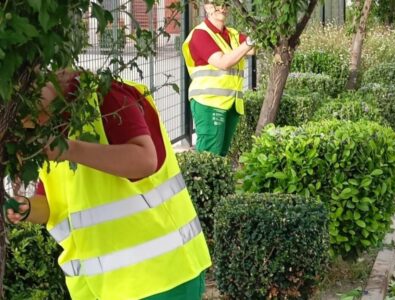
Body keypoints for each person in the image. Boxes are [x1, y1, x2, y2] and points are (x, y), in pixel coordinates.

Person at [6, 69, 212, 300]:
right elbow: (52, 205)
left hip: (161, 279)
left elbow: (145, 160)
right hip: (100, 286)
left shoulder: (107, 96)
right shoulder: (43, 130)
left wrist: (69, 149)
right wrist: (26, 208)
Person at [182, 0, 255, 156]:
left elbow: (252, 49)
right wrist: (249, 42)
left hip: (230, 103)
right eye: (217, 3)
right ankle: (200, 181)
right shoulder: (200, 34)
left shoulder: (231, 34)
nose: (222, 8)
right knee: (210, 153)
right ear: (207, 7)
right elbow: (223, 62)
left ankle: (216, 180)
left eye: (226, 4)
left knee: (220, 153)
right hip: (209, 102)